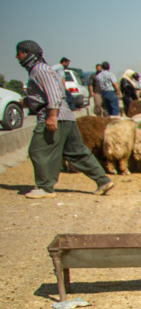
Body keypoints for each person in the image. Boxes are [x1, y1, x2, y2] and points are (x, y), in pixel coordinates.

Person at [15, 40, 114, 198]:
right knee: (76, 152)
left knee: (38, 150)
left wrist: (52, 116)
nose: (17, 56)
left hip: (54, 116)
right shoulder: (43, 69)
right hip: (66, 116)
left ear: (27, 53)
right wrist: (30, 101)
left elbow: (53, 93)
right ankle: (103, 180)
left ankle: (45, 187)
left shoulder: (39, 70)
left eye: (19, 53)